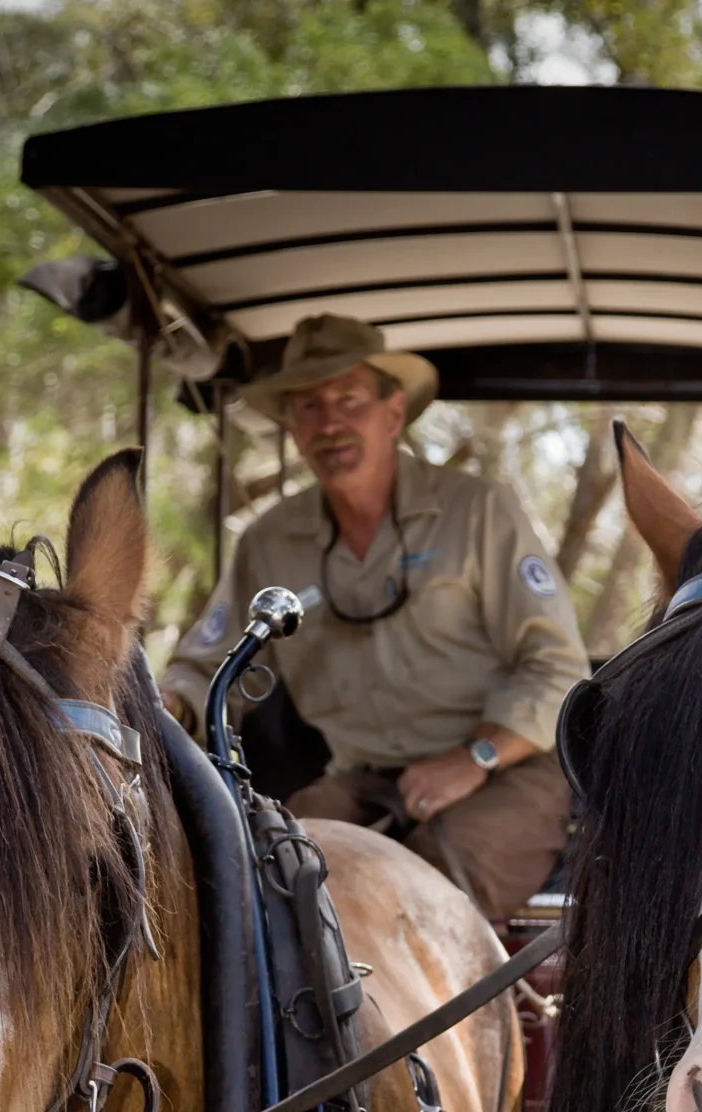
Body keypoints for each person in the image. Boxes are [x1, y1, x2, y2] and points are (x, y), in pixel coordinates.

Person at [163, 313, 589, 920]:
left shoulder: (477, 512)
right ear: (291, 425)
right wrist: (168, 701)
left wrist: (473, 759)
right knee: (273, 882)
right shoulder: (270, 540)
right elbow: (208, 668)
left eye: (348, 399)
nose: (329, 422)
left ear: (393, 414)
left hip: (504, 771)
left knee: (430, 894)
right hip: (360, 779)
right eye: (309, 405)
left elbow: (557, 667)